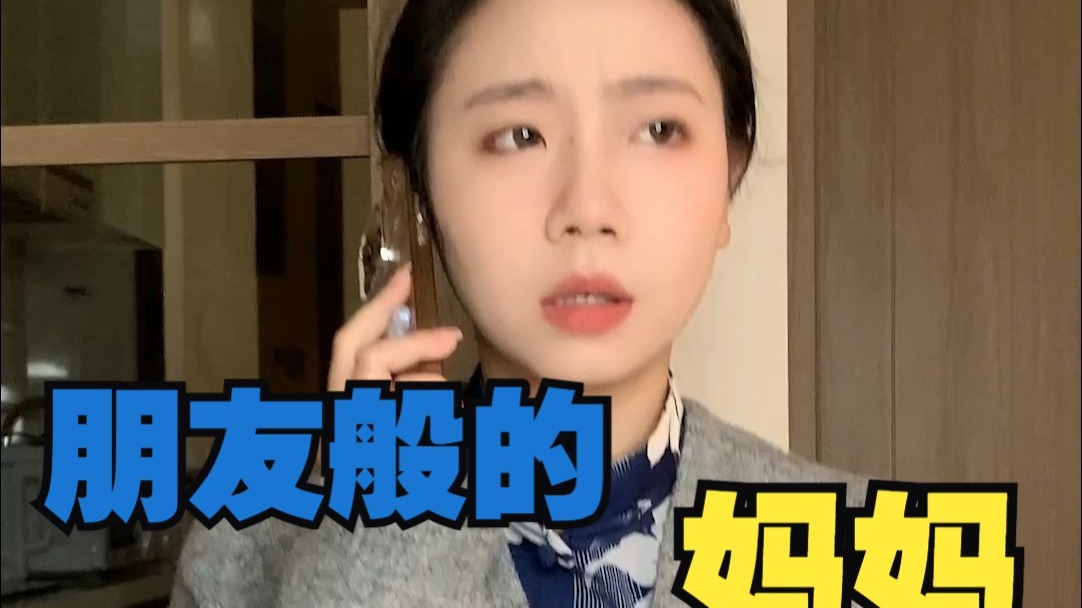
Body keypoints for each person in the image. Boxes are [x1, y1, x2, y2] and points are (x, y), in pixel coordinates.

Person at [171, 0, 865, 606]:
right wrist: (390, 536)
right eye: (519, 136)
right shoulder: (250, 544)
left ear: (729, 174)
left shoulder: (856, 548)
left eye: (658, 129)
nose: (588, 209)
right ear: (419, 188)